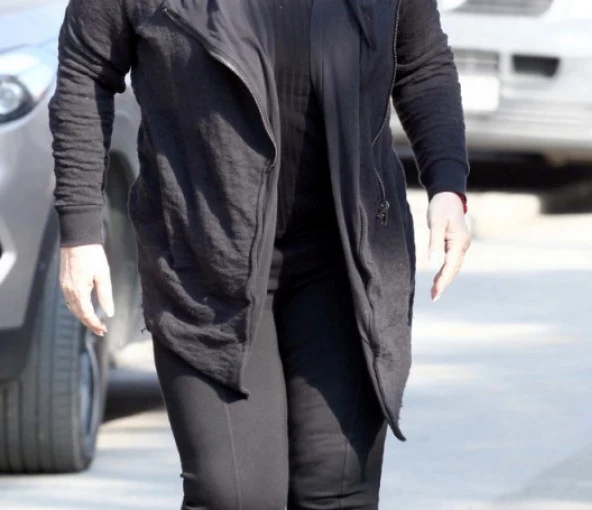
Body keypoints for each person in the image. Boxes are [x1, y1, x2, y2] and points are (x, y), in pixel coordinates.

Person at [50, 0, 470, 508]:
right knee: (235, 496)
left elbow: (422, 61)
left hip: (344, 259)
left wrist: (448, 183)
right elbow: (85, 67)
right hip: (205, 263)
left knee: (339, 493)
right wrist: (80, 230)